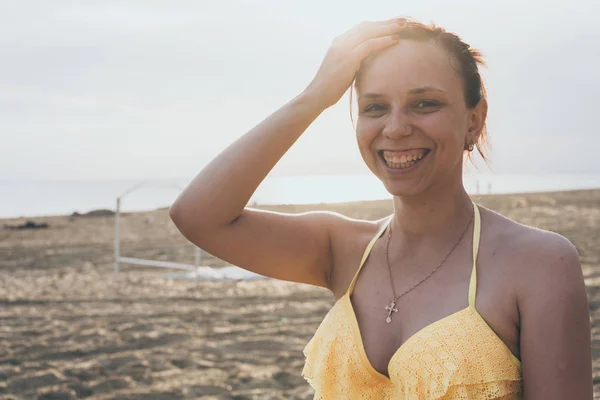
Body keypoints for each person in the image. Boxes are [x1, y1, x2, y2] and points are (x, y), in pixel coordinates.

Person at [169, 17, 592, 399]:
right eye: (374, 107)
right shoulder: (342, 249)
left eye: (424, 103)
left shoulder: (539, 263)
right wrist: (315, 96)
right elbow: (198, 216)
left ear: (473, 120)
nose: (395, 128)